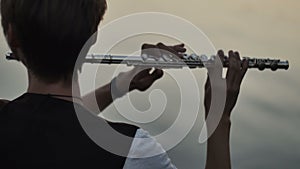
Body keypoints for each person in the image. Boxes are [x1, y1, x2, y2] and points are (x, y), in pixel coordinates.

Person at [0, 0, 248, 169]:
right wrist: (219, 117)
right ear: (93, 38)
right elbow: (64, 127)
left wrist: (121, 85)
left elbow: (52, 122)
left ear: (12, 38)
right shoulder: (133, 150)